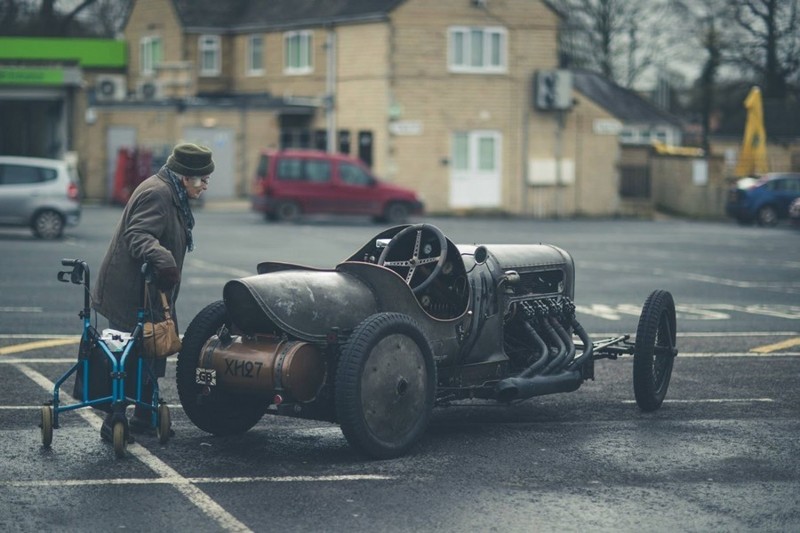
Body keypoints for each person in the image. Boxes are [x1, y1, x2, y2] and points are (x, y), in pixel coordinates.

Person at [92, 142, 213, 441]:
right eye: (204, 179)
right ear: (187, 177)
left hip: (150, 291)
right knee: (128, 358)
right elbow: (138, 234)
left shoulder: (172, 192)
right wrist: (165, 261)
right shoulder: (158, 193)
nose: (207, 185)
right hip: (130, 293)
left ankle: (144, 417)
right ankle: (113, 422)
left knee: (153, 351)